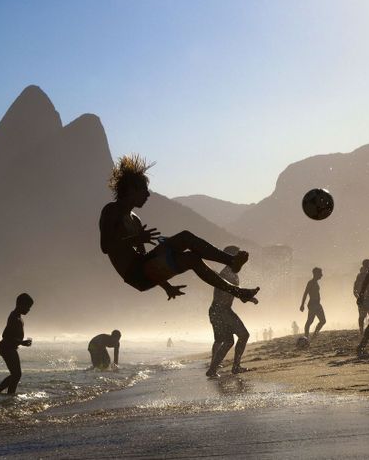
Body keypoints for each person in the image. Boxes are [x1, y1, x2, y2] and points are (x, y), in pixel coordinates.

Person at [99, 155, 259, 303]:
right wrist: (137, 240)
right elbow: (105, 247)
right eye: (143, 189)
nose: (148, 194)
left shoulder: (135, 219)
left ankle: (238, 288)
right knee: (186, 244)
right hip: (135, 274)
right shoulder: (111, 211)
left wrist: (167, 286)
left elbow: (143, 257)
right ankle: (231, 261)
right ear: (131, 190)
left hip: (145, 268)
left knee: (189, 250)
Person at [206, 246, 252, 377]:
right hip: (221, 310)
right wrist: (247, 296)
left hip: (218, 310)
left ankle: (213, 369)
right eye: (238, 256)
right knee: (242, 336)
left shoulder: (230, 273)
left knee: (228, 341)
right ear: (231, 258)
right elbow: (234, 292)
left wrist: (248, 296)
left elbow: (236, 293)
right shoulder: (227, 274)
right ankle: (233, 367)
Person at [0, 293, 33, 394]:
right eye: (27, 307)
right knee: (16, 374)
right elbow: (5, 336)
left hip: (10, 347)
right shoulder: (14, 317)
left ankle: (8, 394)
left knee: (15, 375)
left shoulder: (19, 317)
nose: (29, 310)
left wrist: (21, 342)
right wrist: (22, 342)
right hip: (6, 347)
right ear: (20, 304)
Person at [300, 268, 326, 339]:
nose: (321, 275)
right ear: (316, 274)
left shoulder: (315, 282)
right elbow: (305, 293)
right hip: (313, 304)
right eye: (320, 273)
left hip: (317, 304)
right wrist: (302, 305)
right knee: (310, 321)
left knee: (323, 321)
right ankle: (306, 336)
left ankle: (314, 335)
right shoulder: (310, 283)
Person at [353, 259, 369, 335]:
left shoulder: (362, 275)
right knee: (366, 316)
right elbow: (355, 288)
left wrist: (357, 297)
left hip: (367, 298)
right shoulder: (363, 276)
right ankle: (363, 331)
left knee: (366, 316)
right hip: (366, 299)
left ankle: (363, 331)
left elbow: (355, 289)